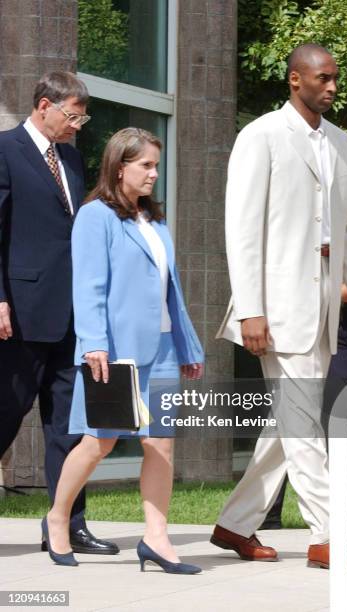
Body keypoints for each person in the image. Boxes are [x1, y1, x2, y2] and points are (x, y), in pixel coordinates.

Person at [211, 43, 347, 570]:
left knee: (286, 423)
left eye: (336, 78)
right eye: (323, 77)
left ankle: (234, 523)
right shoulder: (261, 136)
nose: (333, 86)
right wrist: (250, 308)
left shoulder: (339, 142)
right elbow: (241, 230)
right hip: (275, 308)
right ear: (296, 79)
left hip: (322, 308)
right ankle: (328, 535)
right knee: (304, 424)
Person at [42, 127, 204, 572]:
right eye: (146, 165)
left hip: (166, 347)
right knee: (100, 442)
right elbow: (88, 285)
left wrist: (188, 345)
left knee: (161, 446)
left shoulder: (155, 221)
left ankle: (156, 539)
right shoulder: (96, 216)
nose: (154, 174)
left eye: (156, 164)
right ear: (120, 167)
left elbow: (171, 291)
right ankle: (58, 518)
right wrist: (93, 343)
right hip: (116, 351)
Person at [0, 71, 117, 555]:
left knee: (68, 426)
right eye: (72, 115)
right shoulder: (5, 150)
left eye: (82, 117)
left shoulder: (70, 156)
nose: (78, 126)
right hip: (20, 315)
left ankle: (67, 524)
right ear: (44, 105)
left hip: (70, 316)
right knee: (5, 414)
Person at [259, 228, 347, 535]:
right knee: (282, 418)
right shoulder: (288, 226)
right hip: (291, 328)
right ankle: (266, 512)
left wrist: (308, 286)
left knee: (340, 415)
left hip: (336, 330)